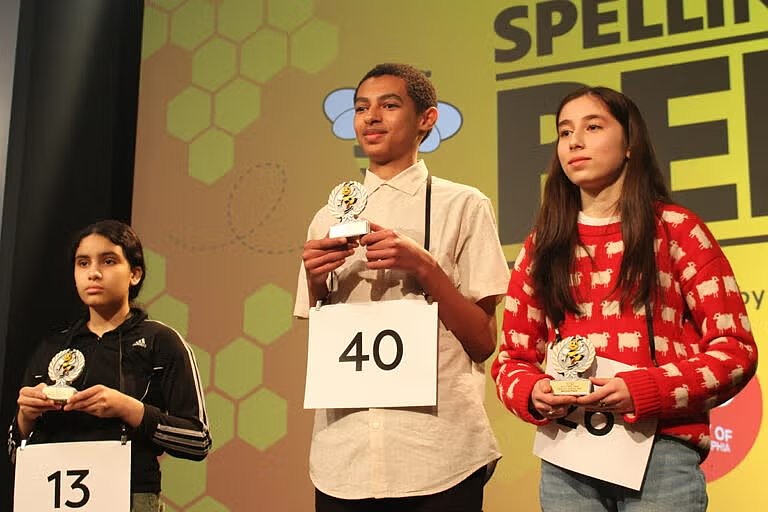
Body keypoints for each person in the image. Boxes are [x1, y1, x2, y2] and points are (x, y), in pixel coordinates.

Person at [491, 86, 757, 510]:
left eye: (592, 127)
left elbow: (735, 352)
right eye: (564, 132)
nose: (574, 141)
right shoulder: (542, 246)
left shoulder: (678, 230)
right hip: (568, 455)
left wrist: (643, 389)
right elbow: (511, 360)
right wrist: (534, 392)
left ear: (630, 144)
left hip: (662, 454)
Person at [294, 63, 510, 511]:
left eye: (389, 105)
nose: (371, 117)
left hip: (438, 452)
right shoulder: (326, 218)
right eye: (361, 108)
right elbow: (324, 339)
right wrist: (317, 282)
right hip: (343, 458)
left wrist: (425, 268)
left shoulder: (464, 205)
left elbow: (482, 341)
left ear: (426, 120)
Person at [10, 220, 211, 512]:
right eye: (82, 263)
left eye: (108, 261)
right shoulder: (52, 348)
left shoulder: (161, 341)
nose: (93, 272)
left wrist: (126, 408)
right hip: (49, 498)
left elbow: (198, 440)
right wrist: (25, 418)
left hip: (130, 498)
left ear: (134, 273)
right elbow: (15, 451)